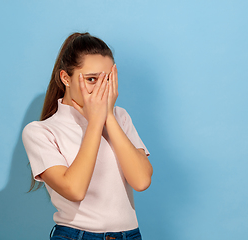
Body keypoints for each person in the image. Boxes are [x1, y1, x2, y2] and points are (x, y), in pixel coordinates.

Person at [22, 32, 153, 240]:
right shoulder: (41, 132)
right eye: (92, 79)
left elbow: (142, 181)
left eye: (107, 80)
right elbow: (74, 189)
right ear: (65, 78)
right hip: (77, 235)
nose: (101, 89)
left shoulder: (121, 117)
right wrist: (94, 123)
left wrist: (108, 116)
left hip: (130, 235)